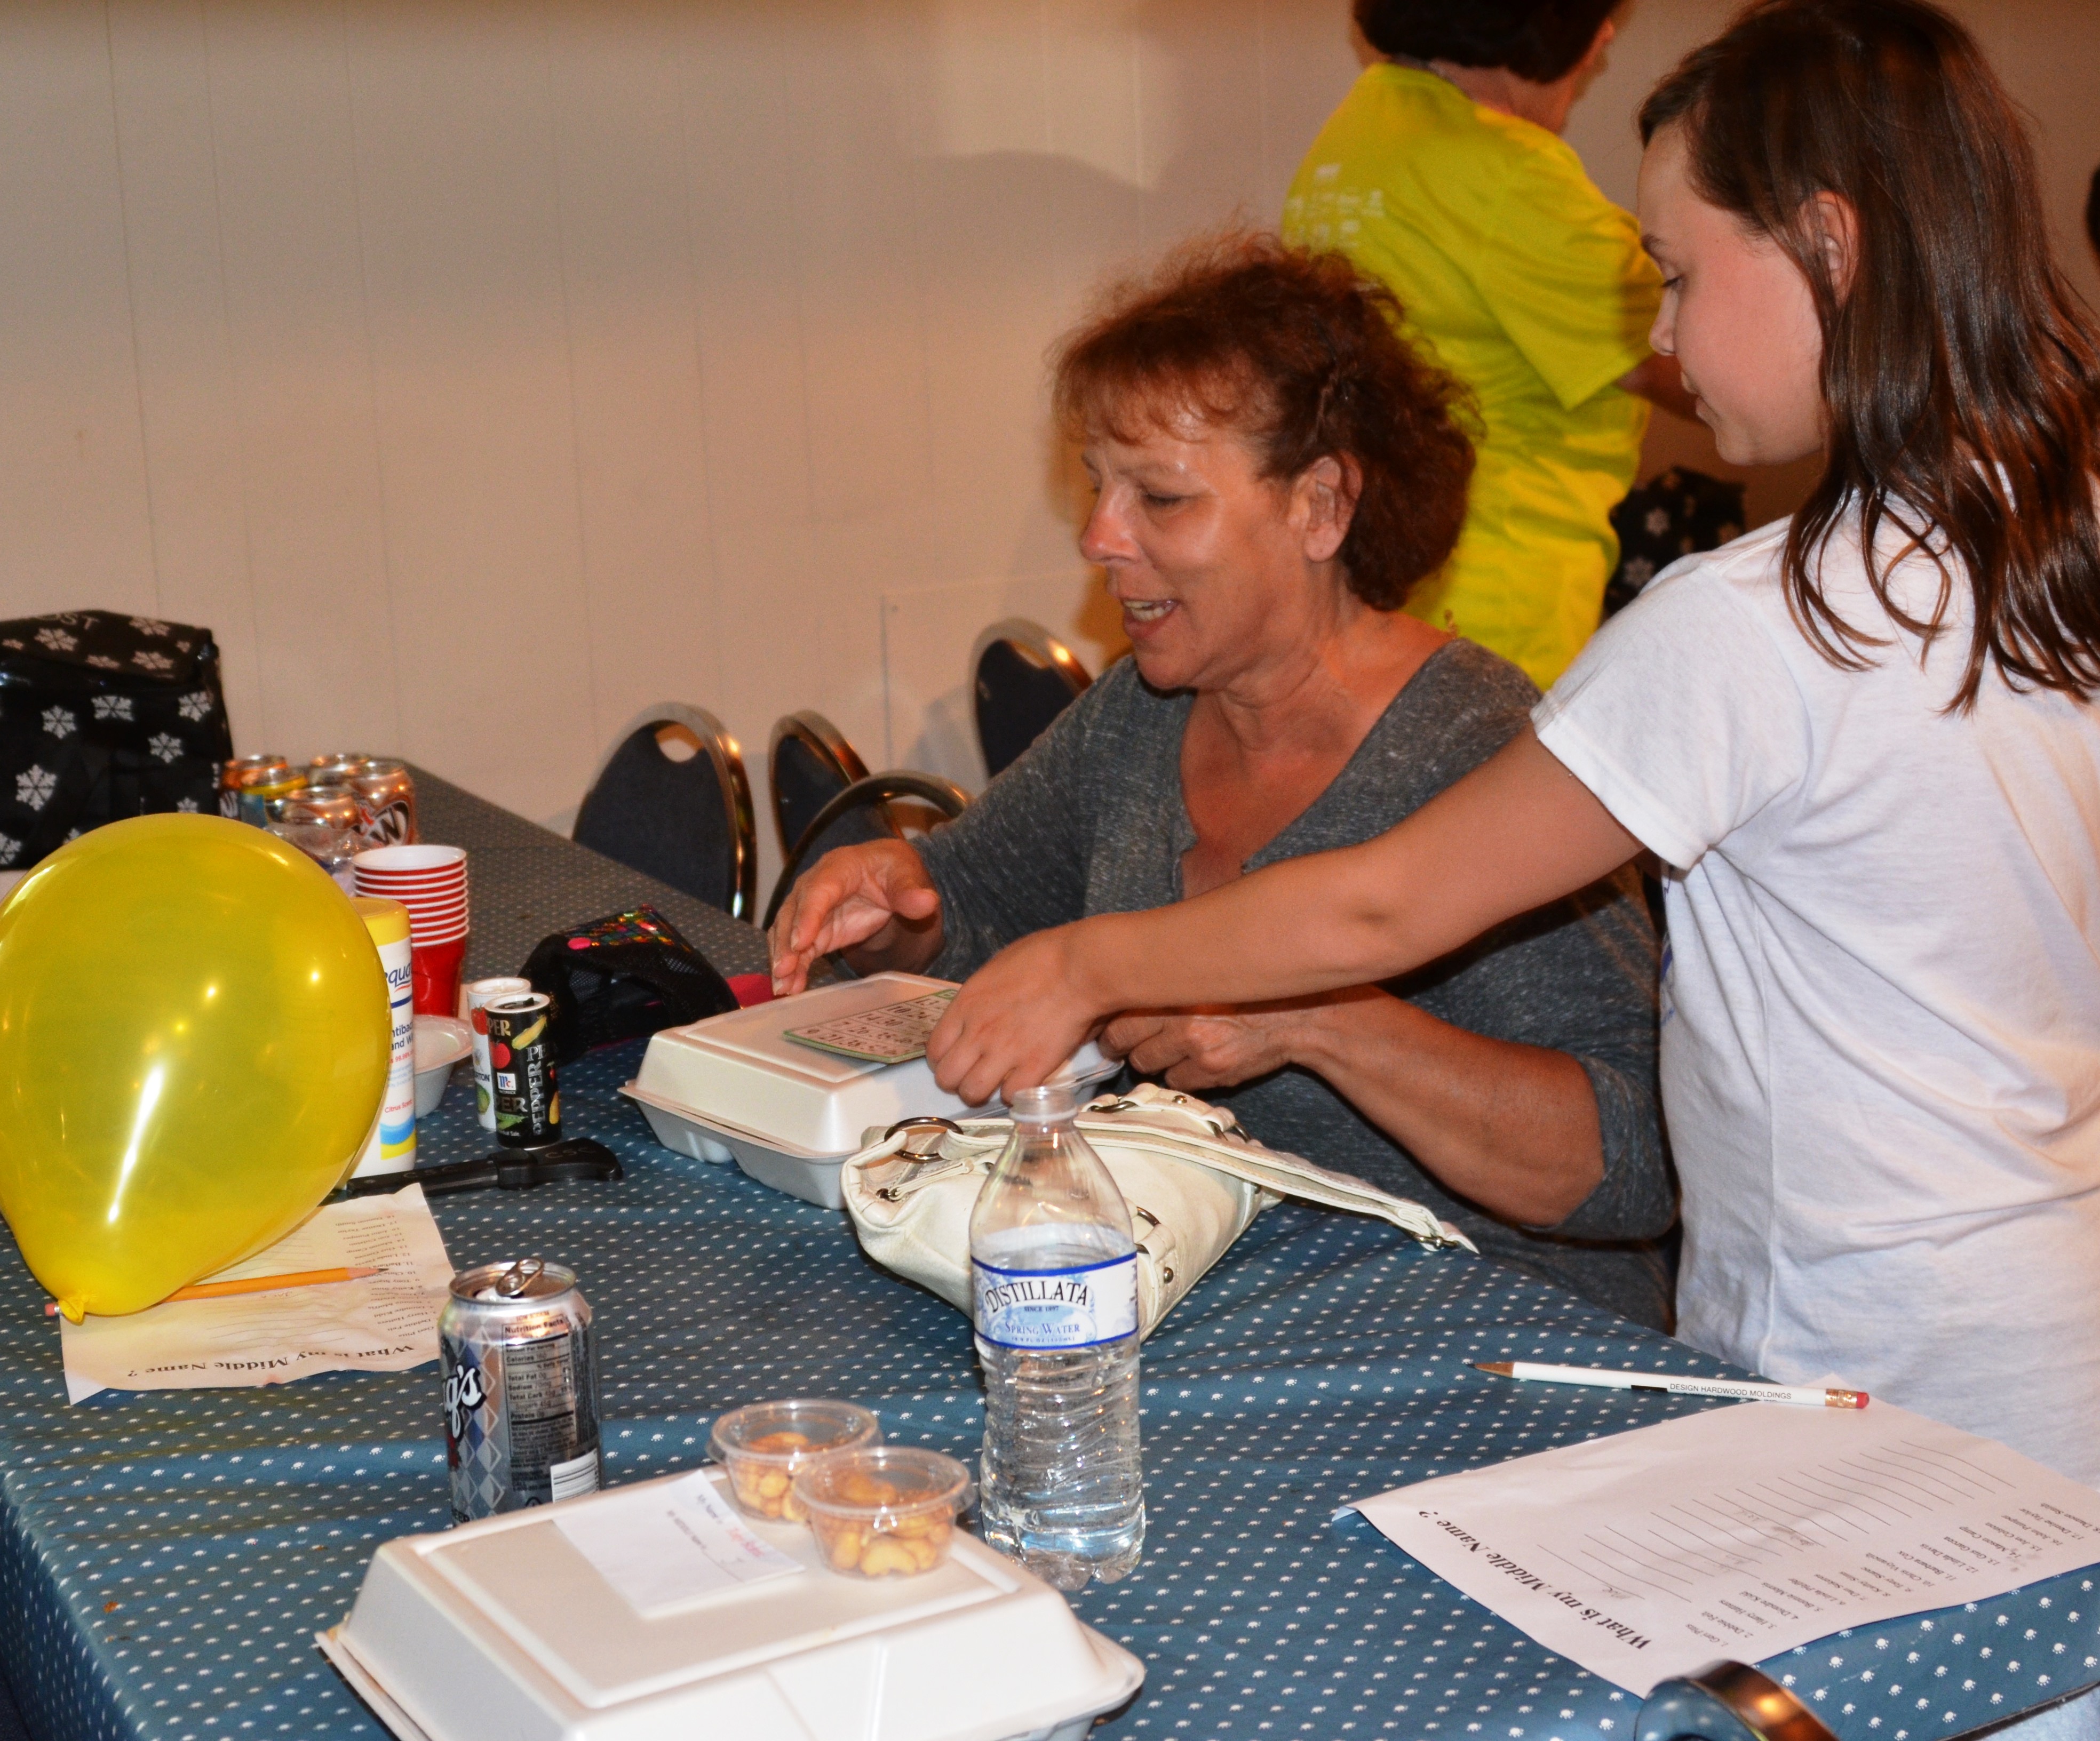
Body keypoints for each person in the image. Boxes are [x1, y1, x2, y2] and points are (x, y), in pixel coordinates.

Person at [928, 0, 2100, 1509]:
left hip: (1867, 1353)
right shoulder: (2056, 535)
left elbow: (1380, 904)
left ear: (1828, 245)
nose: (1658, 337)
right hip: (2051, 1316)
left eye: (1676, 276)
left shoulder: (1754, 624)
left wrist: (1090, 962)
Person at [769, 237, 1675, 1328]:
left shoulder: (1475, 747)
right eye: (1098, 488)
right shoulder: (1143, 712)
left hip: (1483, 1343)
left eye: (1160, 497)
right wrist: (901, 911)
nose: (1099, 537)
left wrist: (1318, 1018)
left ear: (1320, 508)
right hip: (1228, 1318)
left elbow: (1632, 1158)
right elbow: (976, 903)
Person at [1285, 0, 1699, 689]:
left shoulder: (1354, 135)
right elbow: (1700, 360)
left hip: (1379, 598)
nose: (1603, 35)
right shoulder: (1511, 178)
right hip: (1500, 612)